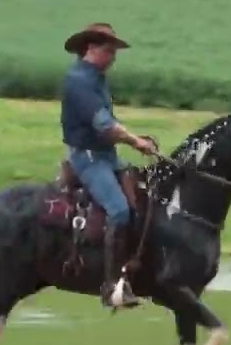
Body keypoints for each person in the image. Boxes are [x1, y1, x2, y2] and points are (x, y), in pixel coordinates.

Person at [59, 22, 159, 310]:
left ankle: (133, 269)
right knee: (119, 210)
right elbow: (104, 126)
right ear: (90, 48)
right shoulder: (79, 80)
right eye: (109, 50)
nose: (113, 56)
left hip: (107, 156)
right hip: (88, 157)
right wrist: (136, 142)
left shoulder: (97, 78)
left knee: (143, 197)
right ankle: (110, 287)